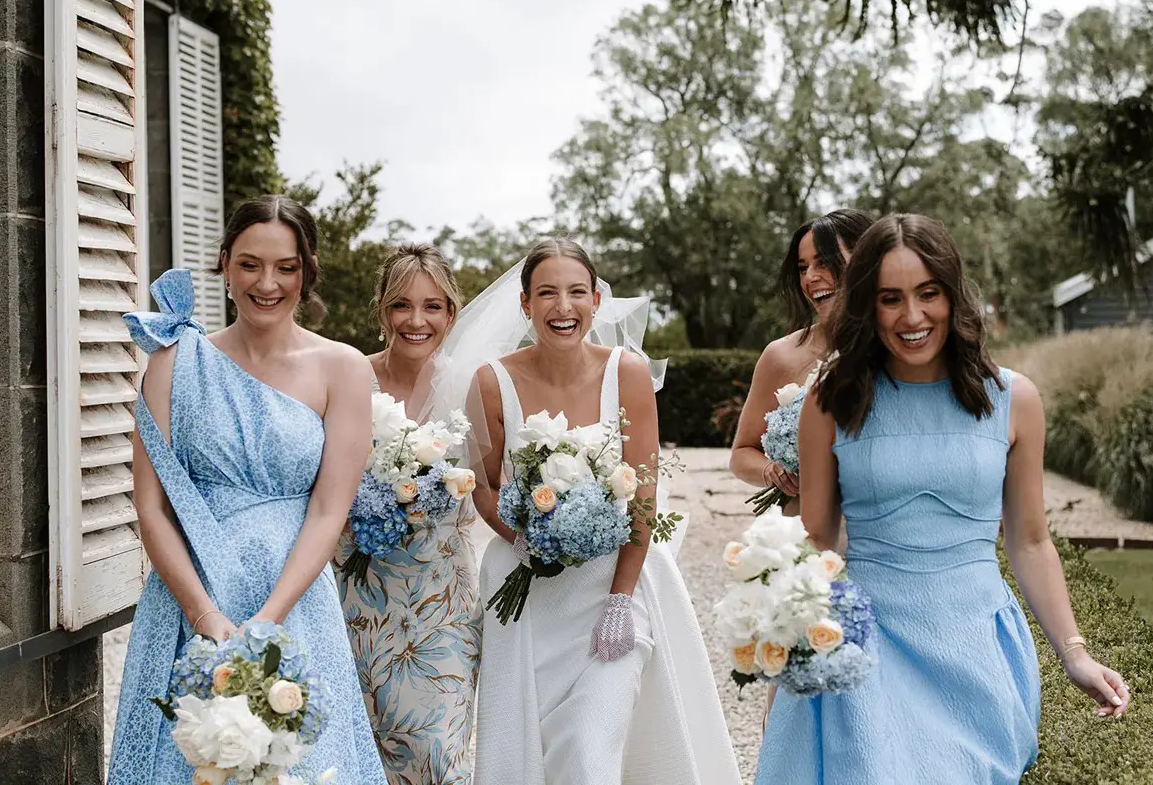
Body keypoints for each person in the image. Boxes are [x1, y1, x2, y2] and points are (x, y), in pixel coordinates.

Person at [754, 213, 1131, 785]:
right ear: (867, 306)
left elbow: (1030, 541)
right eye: (890, 298)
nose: (912, 317)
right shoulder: (829, 402)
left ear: (953, 295)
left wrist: (1074, 653)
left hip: (974, 645)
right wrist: (791, 648)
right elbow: (819, 539)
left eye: (928, 293)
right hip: (869, 645)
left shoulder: (1014, 400)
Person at [107, 196, 386, 784]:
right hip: (189, 598)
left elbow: (329, 508)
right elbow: (150, 506)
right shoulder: (173, 362)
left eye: (286, 267)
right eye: (251, 264)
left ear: (307, 271)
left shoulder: (343, 368)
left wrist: (269, 619)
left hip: (294, 599)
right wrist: (202, 612)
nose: (267, 282)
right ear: (225, 264)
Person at [455, 239, 740, 785]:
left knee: (591, 746)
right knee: (538, 747)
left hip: (619, 583)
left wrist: (619, 600)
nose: (563, 307)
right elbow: (486, 488)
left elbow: (645, 493)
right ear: (525, 305)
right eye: (547, 294)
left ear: (596, 300)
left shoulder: (627, 372)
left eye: (576, 293)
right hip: (530, 593)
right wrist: (529, 538)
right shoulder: (491, 381)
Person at [334, 243, 482, 784]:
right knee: (363, 748)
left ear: (452, 313)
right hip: (359, 589)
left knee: (438, 755)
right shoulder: (348, 377)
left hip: (442, 595)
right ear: (381, 310)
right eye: (401, 305)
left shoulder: (473, 387)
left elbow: (493, 490)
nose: (416, 320)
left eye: (433, 306)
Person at [729, 208, 872, 517]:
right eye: (803, 267)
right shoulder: (780, 356)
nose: (810, 277)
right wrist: (772, 471)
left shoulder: (898, 349)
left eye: (824, 262)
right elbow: (741, 454)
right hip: (805, 530)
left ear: (865, 262)